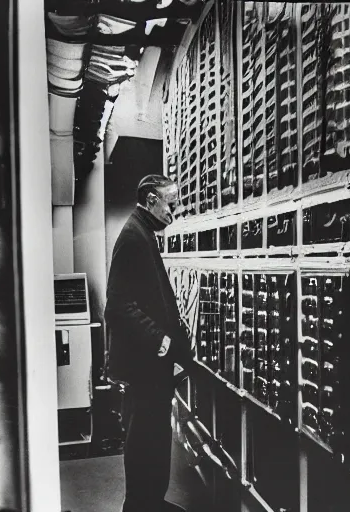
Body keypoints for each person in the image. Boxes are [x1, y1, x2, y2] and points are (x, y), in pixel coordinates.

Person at [105, 174, 195, 512]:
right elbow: (117, 305)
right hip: (145, 367)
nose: (176, 209)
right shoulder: (133, 237)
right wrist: (161, 340)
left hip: (150, 367)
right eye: (171, 203)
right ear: (151, 199)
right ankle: (140, 505)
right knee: (145, 439)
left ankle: (150, 502)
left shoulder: (142, 232)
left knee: (154, 438)